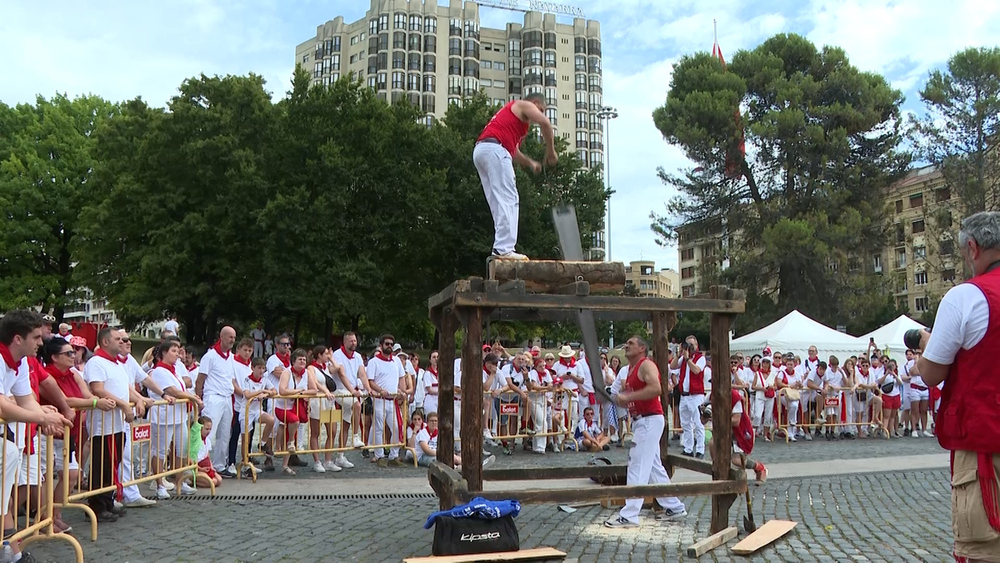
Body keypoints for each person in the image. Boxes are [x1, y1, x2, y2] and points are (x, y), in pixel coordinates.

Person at [913, 211, 1000, 562]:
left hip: (986, 444)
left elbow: (932, 374)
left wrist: (925, 347)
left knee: (983, 552)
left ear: (973, 248)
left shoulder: (966, 296)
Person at [605, 336, 686, 528]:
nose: (626, 345)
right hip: (641, 420)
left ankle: (630, 514)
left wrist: (628, 396)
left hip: (649, 419)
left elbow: (656, 389)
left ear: (642, 348)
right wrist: (616, 397)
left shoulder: (646, 365)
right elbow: (622, 396)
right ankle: (674, 507)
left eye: (631, 343)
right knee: (653, 468)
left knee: (637, 464)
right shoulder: (629, 369)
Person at [473, 92, 558, 260]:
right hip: (496, 150)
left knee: (498, 202)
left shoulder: (517, 122)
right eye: (541, 109)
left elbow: (514, 151)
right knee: (509, 199)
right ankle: (504, 249)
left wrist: (530, 163)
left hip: (482, 151)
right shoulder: (522, 105)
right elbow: (546, 124)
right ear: (535, 103)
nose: (540, 114)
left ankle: (500, 247)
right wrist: (551, 151)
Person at [83, 327, 133, 523]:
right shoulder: (96, 362)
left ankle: (108, 499)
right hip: (103, 424)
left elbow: (125, 387)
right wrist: (122, 405)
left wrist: (136, 400)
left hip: (117, 423)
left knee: (113, 462)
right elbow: (98, 389)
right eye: (117, 339)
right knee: (101, 463)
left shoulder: (117, 364)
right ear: (105, 342)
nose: (122, 342)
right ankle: (96, 505)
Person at [148, 340, 202, 498]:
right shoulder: (159, 371)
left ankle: (181, 481)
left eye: (178, 350)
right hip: (164, 417)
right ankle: (160, 484)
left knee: (182, 449)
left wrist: (191, 396)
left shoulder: (174, 370)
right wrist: (193, 398)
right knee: (161, 451)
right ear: (164, 353)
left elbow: (181, 389)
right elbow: (173, 391)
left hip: (179, 416)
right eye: (173, 350)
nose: (177, 354)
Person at [196, 326, 238, 477]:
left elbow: (231, 379)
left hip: (227, 398)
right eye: (230, 337)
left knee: (225, 434)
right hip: (213, 397)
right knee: (208, 432)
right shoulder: (211, 356)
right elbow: (201, 379)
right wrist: (199, 398)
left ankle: (220, 465)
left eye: (234, 337)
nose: (232, 340)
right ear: (222, 337)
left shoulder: (231, 357)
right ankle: (200, 462)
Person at [366, 335, 406, 468]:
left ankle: (394, 455)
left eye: (391, 344)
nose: (389, 346)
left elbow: (401, 377)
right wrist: (380, 389)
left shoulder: (396, 361)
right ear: (381, 345)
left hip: (392, 400)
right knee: (378, 428)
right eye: (387, 344)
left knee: (395, 427)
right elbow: (370, 381)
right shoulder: (374, 362)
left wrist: (402, 391)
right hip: (379, 400)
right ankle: (379, 455)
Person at [672, 335, 707, 458]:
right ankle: (688, 448)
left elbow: (697, 370)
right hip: (684, 395)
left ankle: (700, 450)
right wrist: (679, 354)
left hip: (696, 395)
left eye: (691, 345)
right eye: (687, 345)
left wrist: (688, 360)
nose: (689, 348)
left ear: (696, 346)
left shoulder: (700, 358)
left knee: (698, 423)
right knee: (686, 424)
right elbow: (672, 366)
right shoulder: (683, 358)